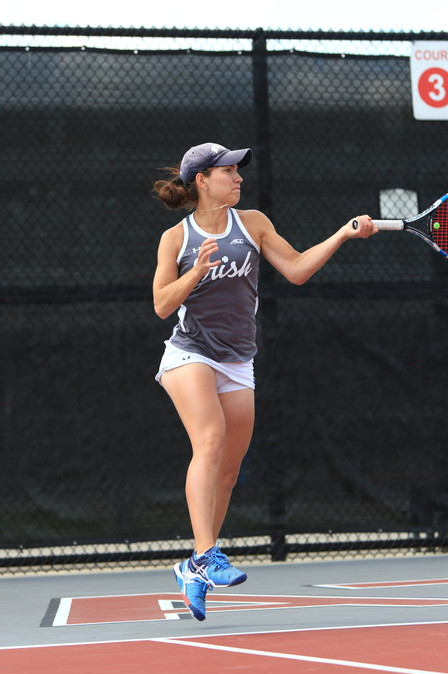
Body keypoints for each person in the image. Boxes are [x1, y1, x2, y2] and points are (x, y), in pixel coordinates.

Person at [151, 142, 377, 620]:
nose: (238, 178)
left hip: (237, 360)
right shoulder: (176, 238)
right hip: (189, 352)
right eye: (228, 172)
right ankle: (209, 554)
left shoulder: (252, 223)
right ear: (201, 181)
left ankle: (192, 567)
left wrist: (340, 234)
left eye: (238, 171)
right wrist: (196, 272)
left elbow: (295, 270)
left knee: (229, 472)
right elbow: (162, 305)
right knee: (209, 441)